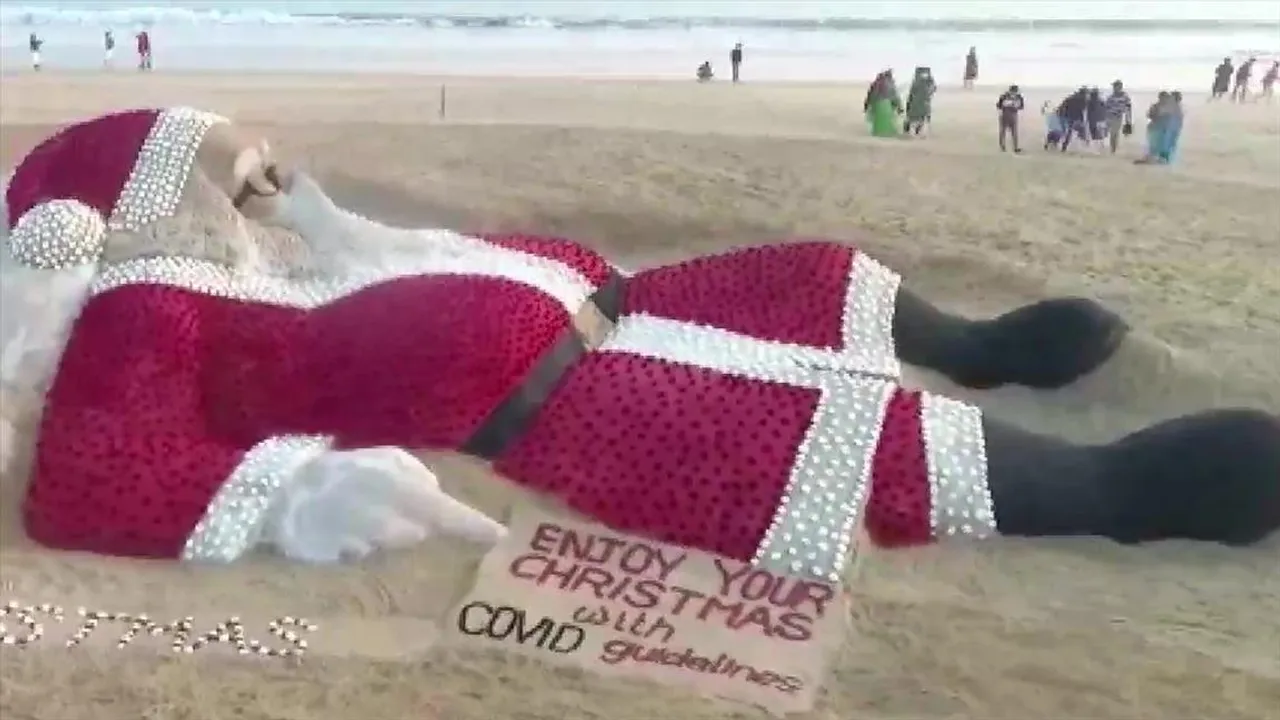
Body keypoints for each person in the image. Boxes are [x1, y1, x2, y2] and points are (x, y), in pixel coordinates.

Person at [2, 110, 1277, 577]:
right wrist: (298, 494)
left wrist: (332, 226)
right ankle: (1113, 491)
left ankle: (972, 342)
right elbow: (93, 475)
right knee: (830, 442)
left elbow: (375, 249)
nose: (275, 176)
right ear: (145, 195)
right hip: (551, 405)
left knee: (809, 278)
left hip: (619, 302)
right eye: (246, 169)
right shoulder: (133, 316)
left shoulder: (286, 247)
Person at [864, 71, 902, 138]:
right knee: (889, 121)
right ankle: (888, 132)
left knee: (876, 122)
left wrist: (866, 106)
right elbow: (895, 97)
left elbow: (869, 96)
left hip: (876, 105)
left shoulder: (875, 83)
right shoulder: (891, 84)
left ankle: (876, 132)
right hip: (887, 105)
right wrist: (899, 107)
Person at [903, 67, 935, 136]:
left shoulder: (916, 81)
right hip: (924, 103)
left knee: (912, 118)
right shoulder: (929, 81)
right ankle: (918, 130)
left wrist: (908, 103)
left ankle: (910, 130)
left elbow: (911, 93)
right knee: (922, 117)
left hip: (916, 103)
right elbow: (932, 90)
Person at [1103, 80, 1133, 154]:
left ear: (1119, 87)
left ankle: (1113, 149)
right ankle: (1112, 148)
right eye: (1113, 86)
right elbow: (1106, 107)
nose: (1113, 88)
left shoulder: (1125, 96)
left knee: (1114, 133)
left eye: (1115, 86)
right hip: (1109, 116)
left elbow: (1128, 107)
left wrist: (1128, 119)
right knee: (1111, 133)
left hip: (1118, 116)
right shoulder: (1111, 96)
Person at [1056, 87, 1089, 152]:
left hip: (1067, 117)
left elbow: (1063, 106)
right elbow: (1082, 111)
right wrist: (1082, 120)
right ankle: (1085, 145)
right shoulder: (1083, 99)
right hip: (1073, 117)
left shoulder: (1072, 97)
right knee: (1081, 131)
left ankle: (1065, 146)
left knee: (1069, 133)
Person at [995, 84, 1024, 153]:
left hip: (1013, 114)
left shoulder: (1019, 97)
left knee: (1014, 132)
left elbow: (1022, 107)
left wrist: (1015, 106)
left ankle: (1015, 147)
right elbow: (998, 105)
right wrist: (1006, 104)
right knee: (1003, 131)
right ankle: (1002, 145)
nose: (1014, 93)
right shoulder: (1004, 96)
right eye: (1013, 92)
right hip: (1004, 114)